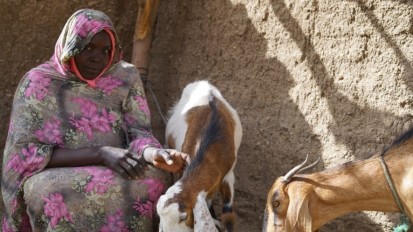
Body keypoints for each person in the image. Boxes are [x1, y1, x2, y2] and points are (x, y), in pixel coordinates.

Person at [1, 9, 188, 232]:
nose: (96, 58)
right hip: (58, 171)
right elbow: (24, 154)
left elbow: (138, 132)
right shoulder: (38, 82)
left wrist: (151, 153)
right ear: (71, 44)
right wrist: (101, 153)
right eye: (87, 47)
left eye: (105, 50)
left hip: (115, 164)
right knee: (47, 190)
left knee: (155, 178)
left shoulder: (124, 77)